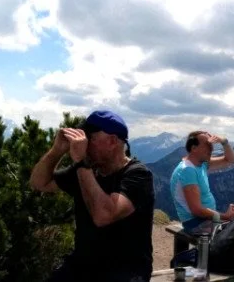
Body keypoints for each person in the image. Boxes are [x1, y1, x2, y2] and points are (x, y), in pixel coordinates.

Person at [29, 110, 155, 282]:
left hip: (126, 270)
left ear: (112, 141)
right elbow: (39, 183)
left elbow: (103, 216)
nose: (84, 144)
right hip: (82, 265)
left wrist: (81, 162)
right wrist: (56, 151)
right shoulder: (85, 169)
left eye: (90, 138)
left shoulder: (138, 175)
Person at [169, 130, 234, 231]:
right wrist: (226, 216)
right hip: (195, 222)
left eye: (211, 144)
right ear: (194, 148)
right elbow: (196, 210)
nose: (211, 148)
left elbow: (231, 159)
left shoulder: (201, 164)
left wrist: (224, 142)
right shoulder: (187, 170)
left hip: (204, 219)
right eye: (207, 144)